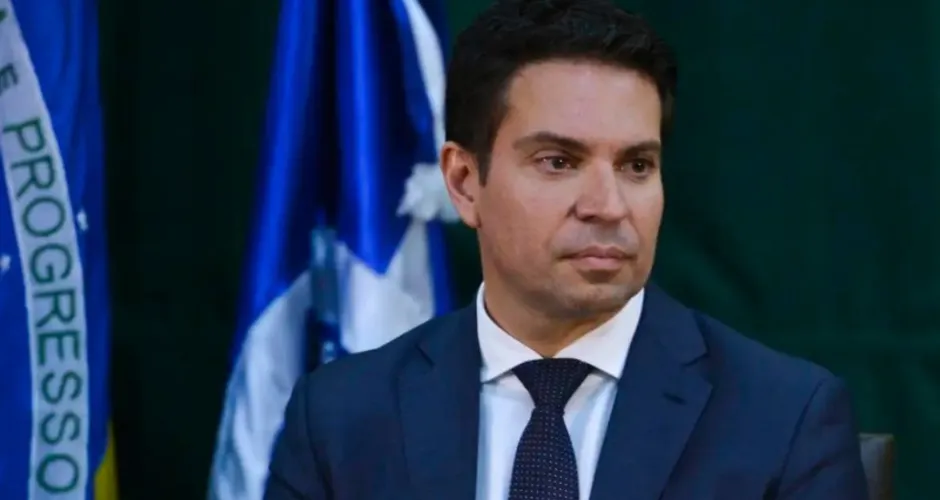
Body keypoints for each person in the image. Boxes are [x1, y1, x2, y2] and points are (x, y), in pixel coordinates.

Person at [264, 0, 870, 499]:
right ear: (465, 182)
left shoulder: (785, 418)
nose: (608, 205)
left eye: (636, 165)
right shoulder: (340, 418)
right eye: (558, 162)